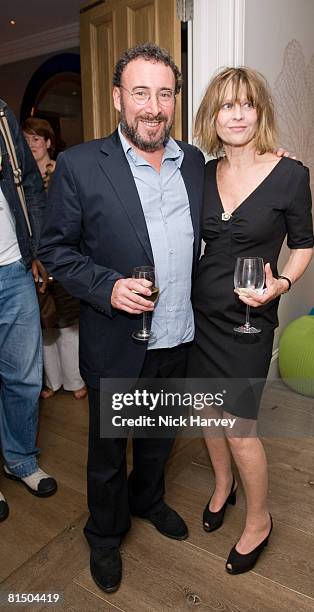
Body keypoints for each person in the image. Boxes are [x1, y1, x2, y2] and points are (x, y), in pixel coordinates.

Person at [38, 43, 205, 592]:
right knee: (110, 451)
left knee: (160, 438)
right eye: (140, 93)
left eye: (164, 94)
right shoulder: (82, 165)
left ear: (174, 101)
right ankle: (104, 535)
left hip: (179, 334)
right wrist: (108, 287)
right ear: (117, 99)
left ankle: (148, 500)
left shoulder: (195, 162)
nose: (152, 107)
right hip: (117, 341)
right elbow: (56, 250)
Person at [187, 67, 314, 574]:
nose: (236, 114)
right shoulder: (198, 172)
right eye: (225, 105)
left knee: (239, 428)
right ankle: (223, 486)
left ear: (259, 110)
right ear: (212, 116)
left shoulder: (290, 173)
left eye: (246, 104)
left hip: (247, 323)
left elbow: (303, 246)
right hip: (200, 316)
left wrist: (280, 285)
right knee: (203, 413)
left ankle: (258, 521)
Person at [0, 99, 57, 523]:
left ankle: (19, 459)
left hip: (13, 266)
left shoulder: (1, 114)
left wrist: (36, 250)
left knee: (23, 376)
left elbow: (30, 187)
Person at [22, 118, 87, 401]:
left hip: (62, 254)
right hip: (32, 258)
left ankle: (75, 381)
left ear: (48, 142)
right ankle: (53, 381)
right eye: (25, 140)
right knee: (45, 320)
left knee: (68, 319)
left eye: (36, 139)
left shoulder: (61, 170)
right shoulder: (17, 178)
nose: (31, 145)